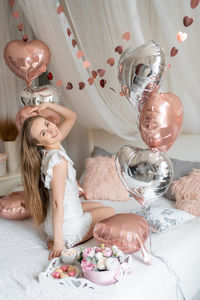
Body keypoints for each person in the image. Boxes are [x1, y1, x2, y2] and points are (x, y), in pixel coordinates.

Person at [20, 102, 115, 260]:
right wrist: (59, 242)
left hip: (53, 224)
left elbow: (72, 116)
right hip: (66, 229)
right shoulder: (58, 161)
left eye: (47, 123)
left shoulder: (50, 147)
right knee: (110, 211)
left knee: (98, 205)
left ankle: (55, 237)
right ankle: (62, 240)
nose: (51, 129)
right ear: (38, 143)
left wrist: (47, 105)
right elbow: (57, 203)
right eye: (44, 133)